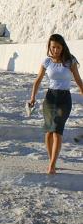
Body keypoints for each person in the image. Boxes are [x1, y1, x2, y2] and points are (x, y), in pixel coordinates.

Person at [29, 34, 83, 174]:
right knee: (48, 132)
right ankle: (51, 159)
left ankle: (52, 165)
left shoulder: (70, 61)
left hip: (64, 99)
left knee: (57, 131)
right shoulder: (47, 62)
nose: (55, 50)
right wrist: (32, 97)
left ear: (63, 47)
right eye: (53, 47)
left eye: (58, 47)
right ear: (50, 47)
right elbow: (38, 80)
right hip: (50, 98)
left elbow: (78, 80)